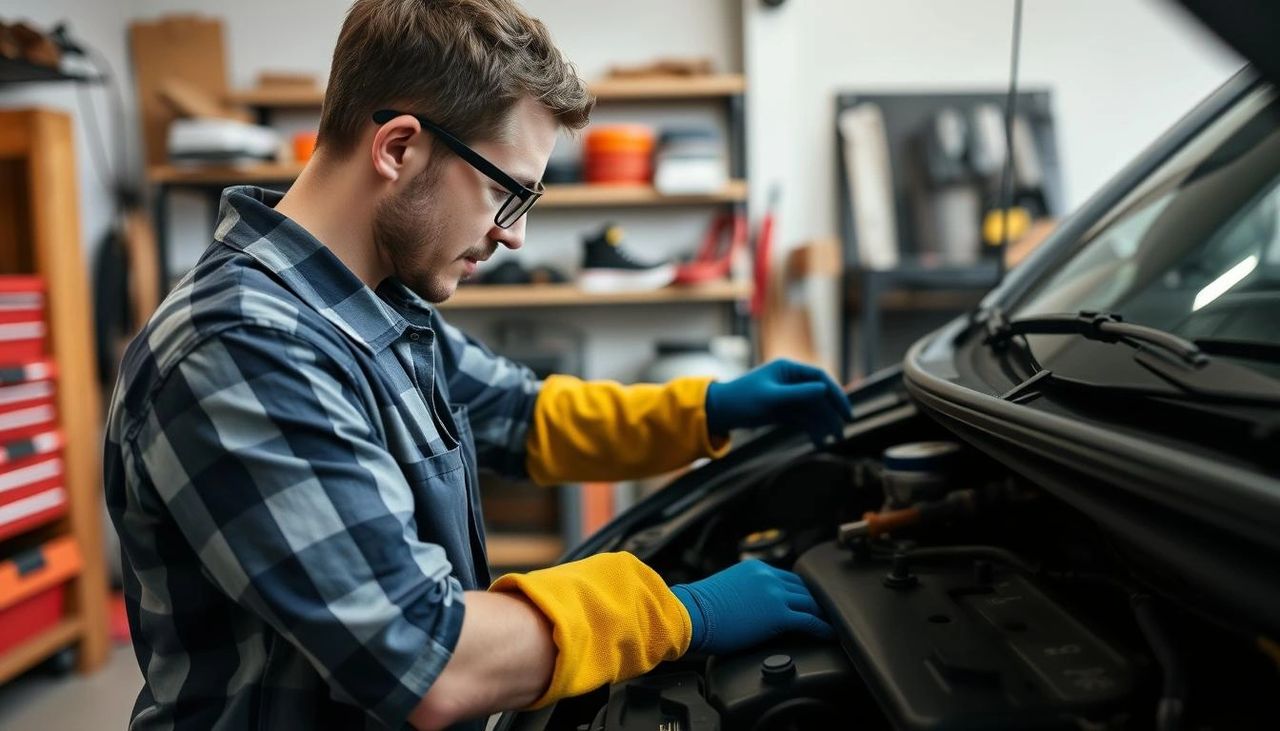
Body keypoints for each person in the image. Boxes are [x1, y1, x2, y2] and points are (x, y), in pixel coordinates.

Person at [104, 1, 853, 729]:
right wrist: (679, 610)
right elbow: (428, 656)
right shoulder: (239, 346)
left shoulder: (374, 303)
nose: (513, 235)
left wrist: (710, 409)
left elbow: (519, 416)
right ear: (398, 147)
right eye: (505, 191)